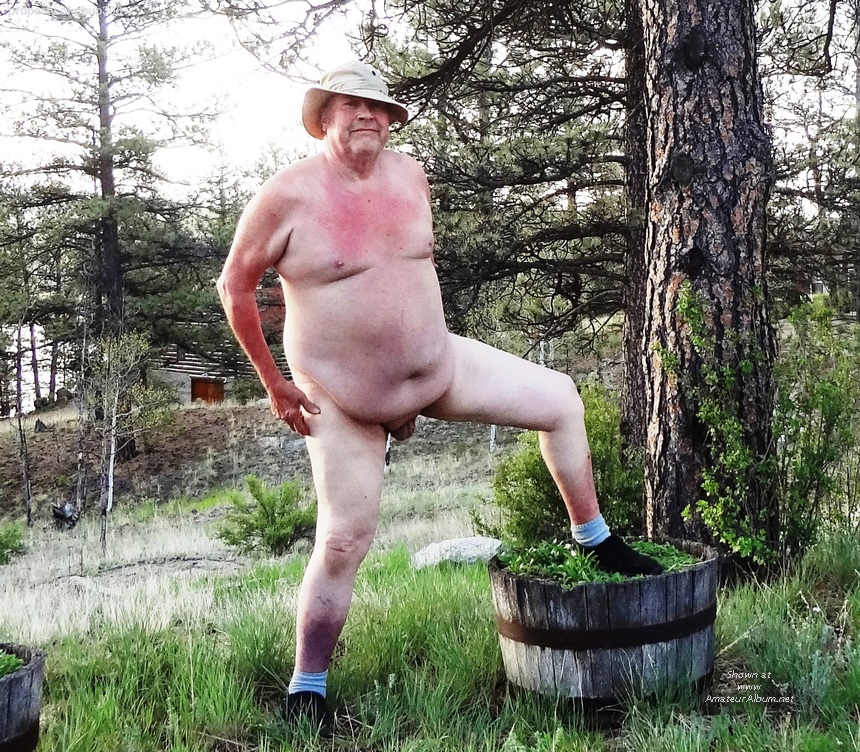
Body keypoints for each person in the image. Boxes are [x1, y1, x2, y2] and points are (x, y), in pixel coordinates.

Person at [216, 59, 663, 729]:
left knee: (561, 400)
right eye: (351, 104)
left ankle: (594, 538)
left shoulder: (411, 174)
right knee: (342, 540)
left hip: (439, 367)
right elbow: (234, 286)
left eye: (379, 107)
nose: (367, 115)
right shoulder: (286, 196)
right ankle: (307, 684)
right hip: (340, 399)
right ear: (323, 116)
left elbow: (405, 271)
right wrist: (274, 383)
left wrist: (411, 374)